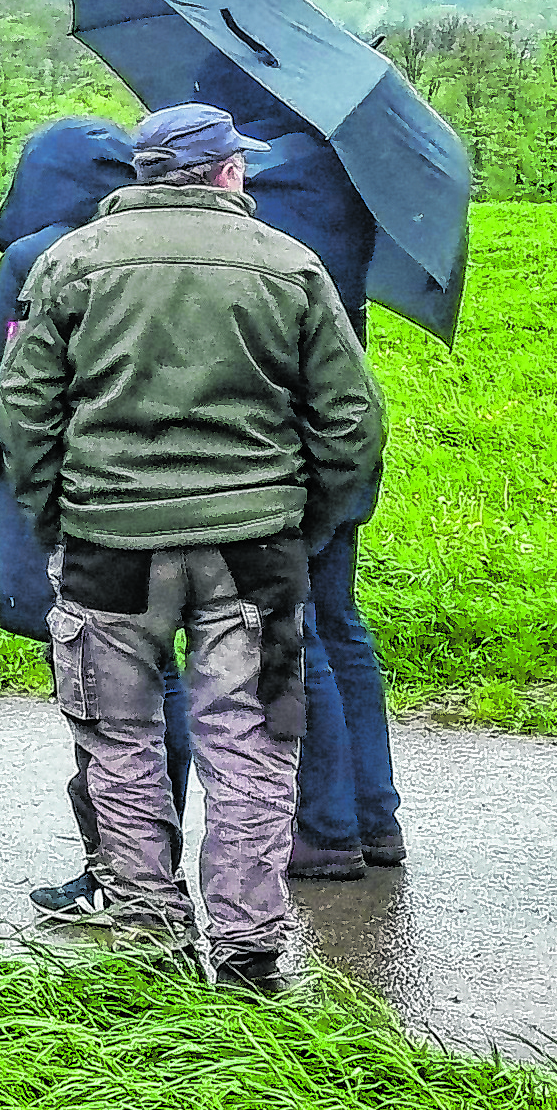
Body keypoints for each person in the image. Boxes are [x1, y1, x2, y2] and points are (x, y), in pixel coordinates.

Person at [0, 102, 386, 993]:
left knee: (117, 742)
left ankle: (148, 931)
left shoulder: (68, 263)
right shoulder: (289, 264)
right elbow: (352, 417)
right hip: (254, 550)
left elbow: (20, 405)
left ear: (144, 174)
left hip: (107, 544)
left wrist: (56, 508)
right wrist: (304, 515)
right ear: (225, 172)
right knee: (248, 743)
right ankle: (248, 949)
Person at [0, 117, 195, 922]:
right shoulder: (165, 243)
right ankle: (157, 853)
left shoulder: (38, 258)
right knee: (166, 675)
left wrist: (0, 476)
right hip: (184, 497)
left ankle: (117, 862)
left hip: (76, 503)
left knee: (102, 686)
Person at [196, 58, 406, 880]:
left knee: (299, 625)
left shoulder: (273, 189)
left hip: (289, 432)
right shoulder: (343, 172)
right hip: (345, 426)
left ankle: (321, 829)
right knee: (339, 622)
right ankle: (371, 816)